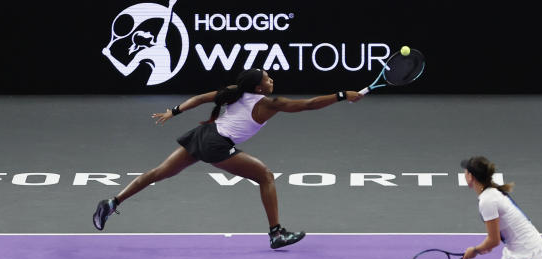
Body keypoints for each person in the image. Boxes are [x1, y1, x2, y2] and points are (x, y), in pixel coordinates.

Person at [92, 68, 363, 249]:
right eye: (267, 79)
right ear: (258, 87)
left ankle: (112, 201)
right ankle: (276, 233)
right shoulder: (270, 103)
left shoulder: (235, 92)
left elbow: (198, 98)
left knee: (160, 172)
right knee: (265, 176)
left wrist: (174, 112)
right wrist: (341, 96)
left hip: (202, 133)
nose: (272, 81)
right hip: (217, 143)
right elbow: (308, 105)